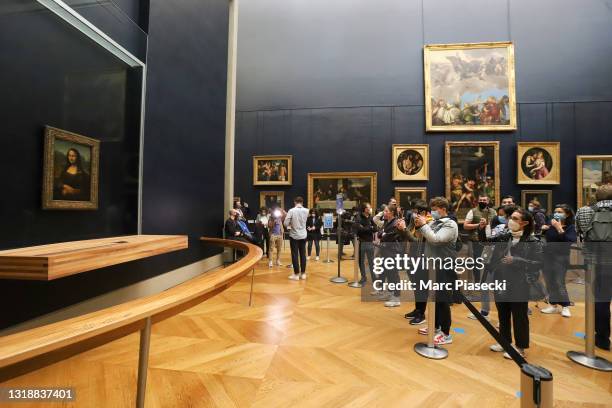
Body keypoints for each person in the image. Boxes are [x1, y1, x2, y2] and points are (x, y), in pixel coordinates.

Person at [482, 208, 543, 359]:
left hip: (520, 282)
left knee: (519, 315)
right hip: (501, 279)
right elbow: (488, 242)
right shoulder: (505, 236)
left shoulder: (533, 241)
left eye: (515, 219)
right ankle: (504, 342)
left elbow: (538, 263)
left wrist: (516, 261)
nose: (511, 220)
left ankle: (520, 347)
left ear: (524, 223)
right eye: (511, 217)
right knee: (502, 313)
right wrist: (483, 229)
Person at [413, 197, 459, 345]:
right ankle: (435, 326)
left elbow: (436, 240)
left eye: (435, 208)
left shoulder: (450, 224)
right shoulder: (434, 222)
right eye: (431, 208)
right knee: (433, 298)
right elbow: (423, 237)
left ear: (443, 209)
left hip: (444, 266)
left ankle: (445, 333)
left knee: (442, 299)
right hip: (431, 265)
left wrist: (425, 225)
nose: (432, 211)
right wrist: (419, 226)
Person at [575, 184, 612, 350]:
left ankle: (602, 339)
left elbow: (581, 234)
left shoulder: (585, 211)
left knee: (601, 302)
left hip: (598, 263)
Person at [540, 204, 577, 317]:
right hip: (547, 257)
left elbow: (568, 241)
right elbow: (549, 239)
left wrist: (558, 228)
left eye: (560, 211)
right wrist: (544, 230)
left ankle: (565, 306)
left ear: (567, 214)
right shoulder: (551, 225)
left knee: (559, 282)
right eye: (555, 211)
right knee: (549, 281)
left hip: (560, 258)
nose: (557, 213)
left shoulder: (570, 227)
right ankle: (553, 305)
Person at [403, 199, 431, 325]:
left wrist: (405, 230)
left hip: (421, 259)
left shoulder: (428, 223)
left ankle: (421, 313)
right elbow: (406, 235)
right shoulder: (414, 222)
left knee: (421, 287)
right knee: (415, 286)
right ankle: (417, 309)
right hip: (411, 258)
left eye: (416, 212)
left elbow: (416, 241)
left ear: (423, 212)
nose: (413, 215)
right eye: (413, 212)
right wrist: (402, 228)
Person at [463, 195, 497, 285]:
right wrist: (478, 225)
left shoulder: (493, 212)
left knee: (489, 261)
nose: (482, 201)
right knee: (477, 262)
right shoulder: (473, 211)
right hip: (476, 241)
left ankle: (487, 282)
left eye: (484, 200)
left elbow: (497, 225)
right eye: (480, 200)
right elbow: (465, 226)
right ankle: (477, 282)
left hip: (490, 240)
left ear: (488, 201)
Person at [377, 205, 406, 307]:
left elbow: (387, 237)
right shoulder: (387, 222)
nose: (384, 213)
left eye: (386, 211)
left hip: (392, 252)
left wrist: (384, 234)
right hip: (386, 251)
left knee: (394, 275)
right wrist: (383, 234)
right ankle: (390, 293)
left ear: (392, 213)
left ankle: (397, 297)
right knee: (389, 274)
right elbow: (380, 234)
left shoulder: (396, 223)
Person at [284, 196, 309, 280]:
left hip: (294, 236)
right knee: (303, 254)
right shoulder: (306, 210)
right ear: (302, 202)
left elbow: (285, 223)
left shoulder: (291, 210)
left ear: (295, 202)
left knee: (295, 255)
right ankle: (303, 274)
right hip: (303, 235)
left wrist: (291, 223)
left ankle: (296, 274)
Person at [354, 202, 377, 285]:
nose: (370, 209)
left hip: (370, 242)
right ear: (364, 209)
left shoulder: (370, 217)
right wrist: (369, 227)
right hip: (361, 243)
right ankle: (363, 277)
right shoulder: (358, 217)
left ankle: (374, 278)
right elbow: (359, 230)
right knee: (361, 261)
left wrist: (367, 228)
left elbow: (375, 228)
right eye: (368, 208)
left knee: (371, 261)